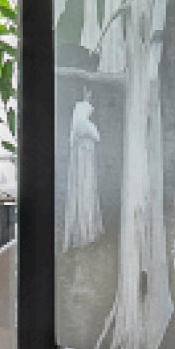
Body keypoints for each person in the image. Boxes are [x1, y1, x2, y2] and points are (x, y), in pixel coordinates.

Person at [61, 95, 105, 250]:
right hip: (82, 166)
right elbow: (97, 136)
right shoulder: (84, 125)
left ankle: (87, 229)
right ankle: (85, 232)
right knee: (83, 193)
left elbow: (95, 137)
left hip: (86, 165)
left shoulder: (81, 127)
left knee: (85, 193)